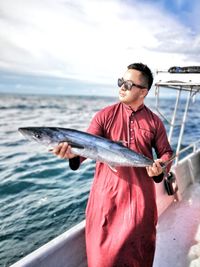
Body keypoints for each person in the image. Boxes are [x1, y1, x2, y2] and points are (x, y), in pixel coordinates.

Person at [53, 63, 173, 267]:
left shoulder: (154, 122)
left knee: (140, 257)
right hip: (106, 200)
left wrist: (161, 166)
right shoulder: (104, 115)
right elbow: (85, 146)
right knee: (103, 260)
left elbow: (166, 153)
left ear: (143, 92)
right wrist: (72, 154)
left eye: (128, 84)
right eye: (121, 82)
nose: (122, 87)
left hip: (140, 202)